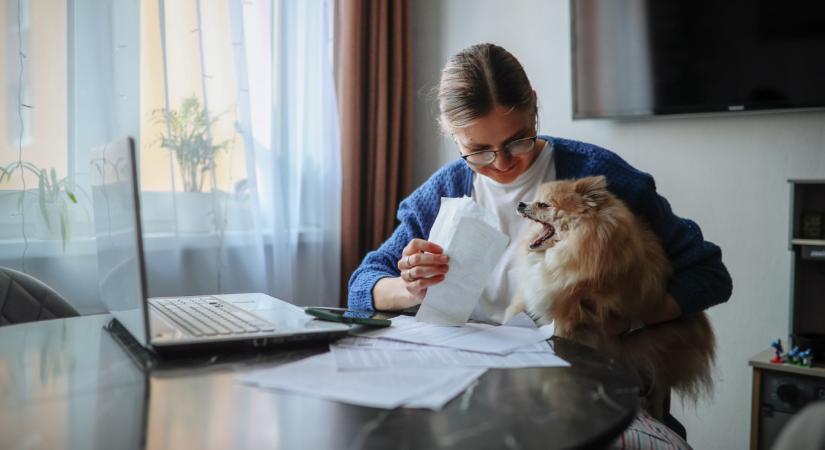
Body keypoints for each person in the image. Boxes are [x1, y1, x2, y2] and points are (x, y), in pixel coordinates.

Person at [348, 42, 731, 449]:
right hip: (465, 386)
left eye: (518, 141)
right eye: (477, 151)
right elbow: (361, 288)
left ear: (533, 108)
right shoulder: (445, 191)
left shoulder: (598, 178)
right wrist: (408, 287)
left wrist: (626, 319)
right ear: (452, 135)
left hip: (576, 386)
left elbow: (709, 275)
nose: (501, 163)